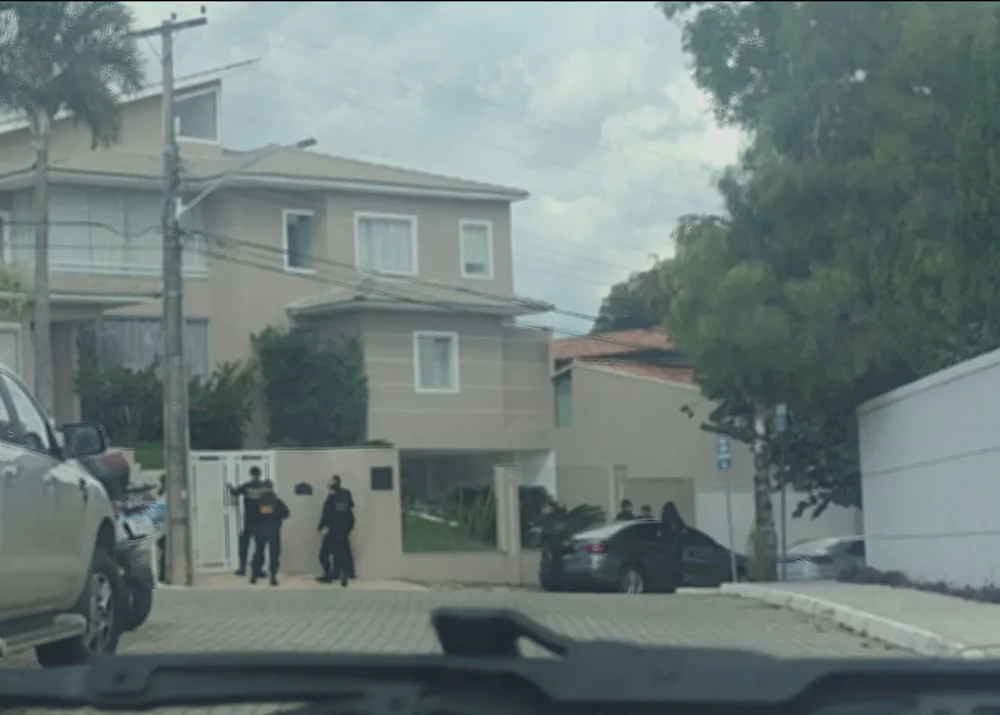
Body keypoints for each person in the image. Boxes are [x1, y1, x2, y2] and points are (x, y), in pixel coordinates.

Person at [227, 466, 270, 578]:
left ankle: (242, 569)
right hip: (261, 521)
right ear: (259, 474)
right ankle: (259, 570)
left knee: (244, 544)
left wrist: (229, 486)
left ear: (251, 474)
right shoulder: (264, 487)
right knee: (260, 546)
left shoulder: (247, 486)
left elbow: (235, 492)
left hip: (249, 520)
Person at [317, 475, 356, 586]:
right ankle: (343, 574)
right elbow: (350, 510)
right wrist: (348, 528)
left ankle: (329, 575)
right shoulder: (346, 495)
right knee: (342, 553)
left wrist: (321, 527)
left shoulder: (332, 498)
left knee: (323, 554)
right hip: (343, 530)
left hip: (332, 530)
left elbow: (327, 514)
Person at [249, 482, 290, 587]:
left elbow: (252, 516)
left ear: (263, 488)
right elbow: (286, 513)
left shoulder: (257, 501)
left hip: (260, 531)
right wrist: (277, 517)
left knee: (258, 552)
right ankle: (273, 577)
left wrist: (254, 529)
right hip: (273, 530)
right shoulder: (277, 501)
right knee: (274, 554)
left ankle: (254, 576)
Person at [659, 501, 685, 590]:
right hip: (677, 546)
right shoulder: (678, 519)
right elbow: (683, 529)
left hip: (668, 546)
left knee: (668, 566)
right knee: (677, 565)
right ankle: (677, 582)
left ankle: (669, 583)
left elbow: (661, 532)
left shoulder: (665, 519)